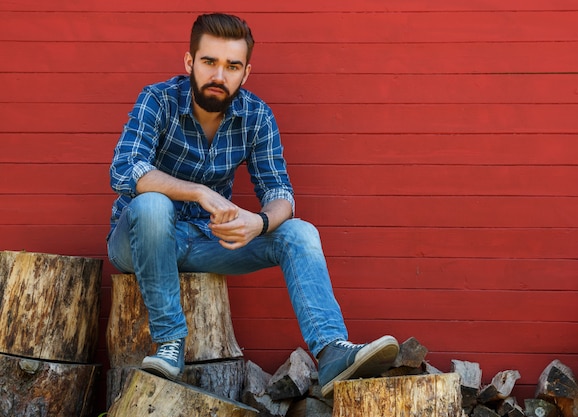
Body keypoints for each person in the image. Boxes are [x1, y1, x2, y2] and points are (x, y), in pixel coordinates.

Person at [107, 12, 398, 397]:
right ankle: (171, 341)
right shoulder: (157, 100)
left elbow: (281, 194)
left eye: (232, 66)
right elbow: (125, 170)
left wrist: (258, 223)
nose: (219, 75)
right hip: (140, 240)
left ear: (245, 74)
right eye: (209, 62)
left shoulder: (256, 115)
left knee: (299, 233)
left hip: (206, 241)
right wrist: (198, 191)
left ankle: (330, 352)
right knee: (152, 206)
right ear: (189, 62)